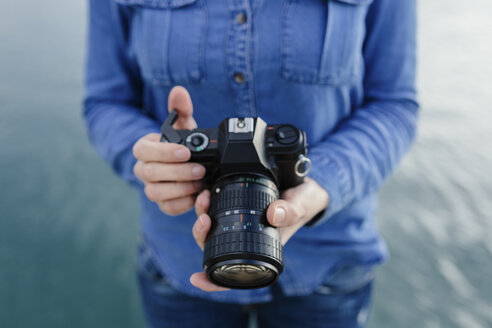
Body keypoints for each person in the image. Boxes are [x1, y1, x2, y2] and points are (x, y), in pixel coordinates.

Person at [84, 0, 418, 327]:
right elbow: (106, 101)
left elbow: (393, 104)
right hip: (177, 258)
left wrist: (321, 182)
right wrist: (161, 162)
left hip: (328, 261)